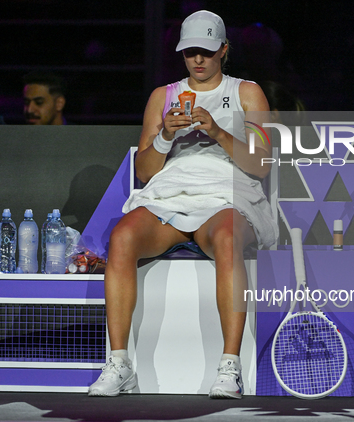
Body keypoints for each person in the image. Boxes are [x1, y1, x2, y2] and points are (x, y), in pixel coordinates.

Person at [88, 10, 277, 399]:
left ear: (224, 50)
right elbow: (143, 171)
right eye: (191, 51)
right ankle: (120, 363)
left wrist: (218, 131)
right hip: (170, 196)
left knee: (226, 237)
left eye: (207, 51)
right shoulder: (163, 96)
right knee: (122, 236)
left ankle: (230, 367)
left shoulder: (247, 92)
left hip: (229, 195)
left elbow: (261, 163)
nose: (198, 60)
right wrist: (164, 137)